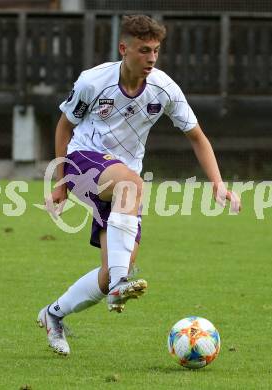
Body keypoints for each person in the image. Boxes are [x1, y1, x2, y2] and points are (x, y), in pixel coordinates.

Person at [37, 14, 241, 356]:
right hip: (82, 160)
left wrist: (218, 184)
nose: (151, 58)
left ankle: (54, 314)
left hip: (122, 181)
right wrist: (60, 182)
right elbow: (63, 128)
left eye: (156, 51)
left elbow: (197, 137)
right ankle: (120, 285)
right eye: (144, 50)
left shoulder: (164, 89)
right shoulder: (93, 81)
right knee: (130, 185)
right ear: (124, 48)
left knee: (116, 266)